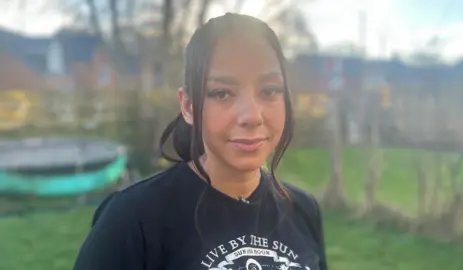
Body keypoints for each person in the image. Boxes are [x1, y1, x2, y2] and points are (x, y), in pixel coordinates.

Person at [73, 13, 328, 270]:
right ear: (188, 106)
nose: (251, 116)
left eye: (270, 91)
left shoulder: (303, 210)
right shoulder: (133, 220)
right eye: (222, 93)